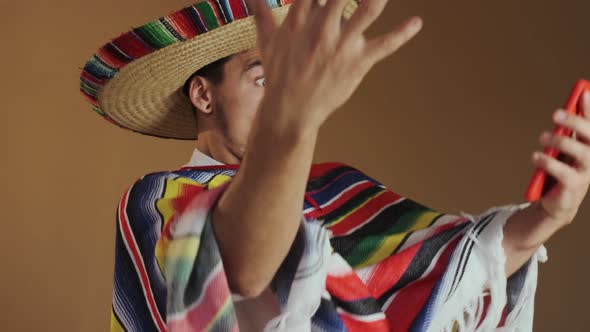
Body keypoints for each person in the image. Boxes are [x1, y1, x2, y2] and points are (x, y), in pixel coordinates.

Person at [80, 0, 590, 330]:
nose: (281, 96)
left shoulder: (333, 191)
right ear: (202, 94)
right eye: (264, 79)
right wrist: (293, 123)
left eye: (290, 81)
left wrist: (548, 215)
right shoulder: (153, 202)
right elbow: (243, 270)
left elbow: (449, 273)